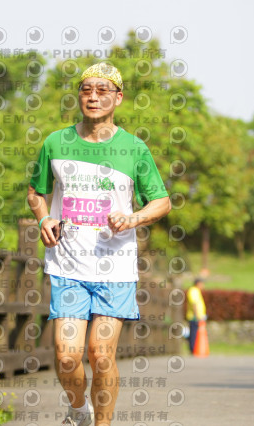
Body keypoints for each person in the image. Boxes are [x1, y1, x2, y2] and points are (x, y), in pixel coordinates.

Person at [27, 62, 171, 426]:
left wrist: (134, 218)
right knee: (66, 357)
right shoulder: (55, 142)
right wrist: (43, 218)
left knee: (101, 355)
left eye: (102, 90)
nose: (93, 96)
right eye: (86, 89)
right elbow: (36, 192)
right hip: (68, 266)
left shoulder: (134, 148)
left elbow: (161, 202)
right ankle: (79, 411)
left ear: (118, 98)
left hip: (115, 268)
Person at [185, 278, 207, 354]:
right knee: (193, 333)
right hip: (194, 317)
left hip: (198, 316)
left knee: (196, 333)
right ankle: (193, 349)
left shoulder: (196, 291)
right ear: (198, 283)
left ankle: (195, 349)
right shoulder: (193, 291)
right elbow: (194, 303)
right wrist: (197, 315)